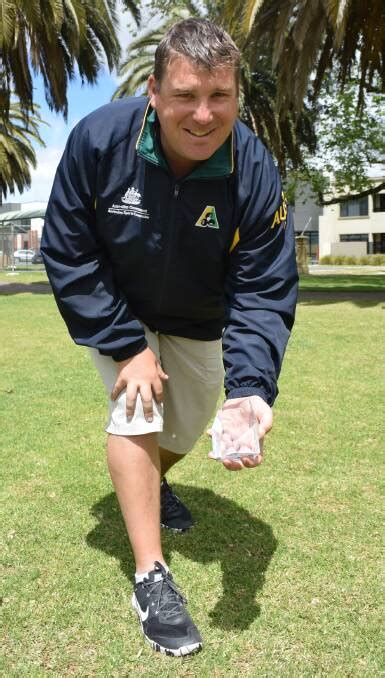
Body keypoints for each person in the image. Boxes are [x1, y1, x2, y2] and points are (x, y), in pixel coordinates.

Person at [41, 18, 298, 657]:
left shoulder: (253, 167)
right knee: (139, 411)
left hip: (198, 318)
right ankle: (150, 576)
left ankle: (153, 481)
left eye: (221, 97)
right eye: (186, 95)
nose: (205, 115)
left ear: (239, 96)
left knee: (188, 423)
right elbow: (69, 249)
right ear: (154, 91)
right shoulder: (100, 139)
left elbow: (263, 285)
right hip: (121, 309)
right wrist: (126, 345)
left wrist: (250, 389)